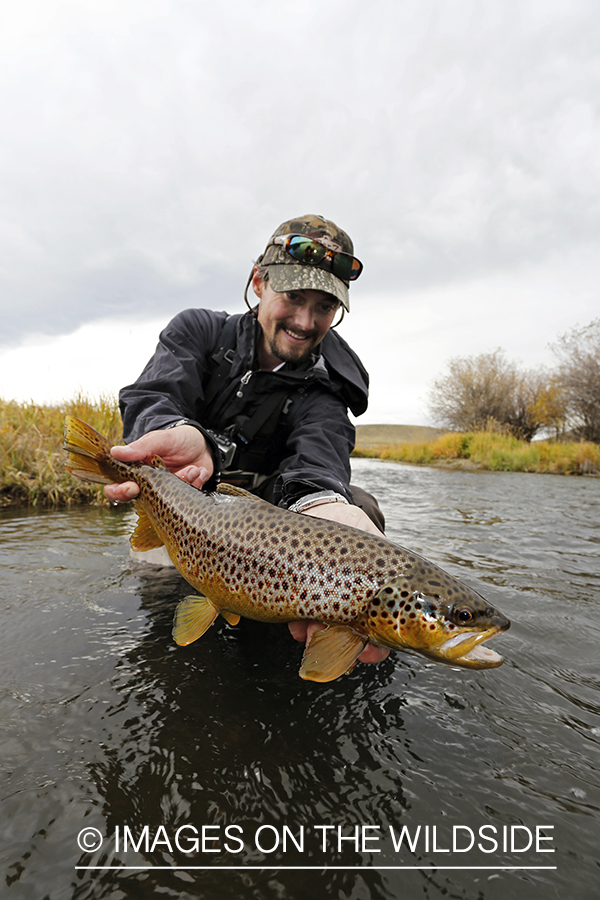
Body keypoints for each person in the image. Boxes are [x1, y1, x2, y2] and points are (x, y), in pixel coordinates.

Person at [105, 214, 388, 666]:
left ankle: (291, 632)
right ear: (259, 282)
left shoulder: (331, 383)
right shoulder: (199, 332)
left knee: (359, 505)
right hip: (186, 506)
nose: (305, 320)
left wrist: (323, 504)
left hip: (268, 534)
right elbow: (151, 397)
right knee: (162, 632)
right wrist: (184, 435)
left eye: (324, 307)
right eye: (294, 297)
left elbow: (320, 457)